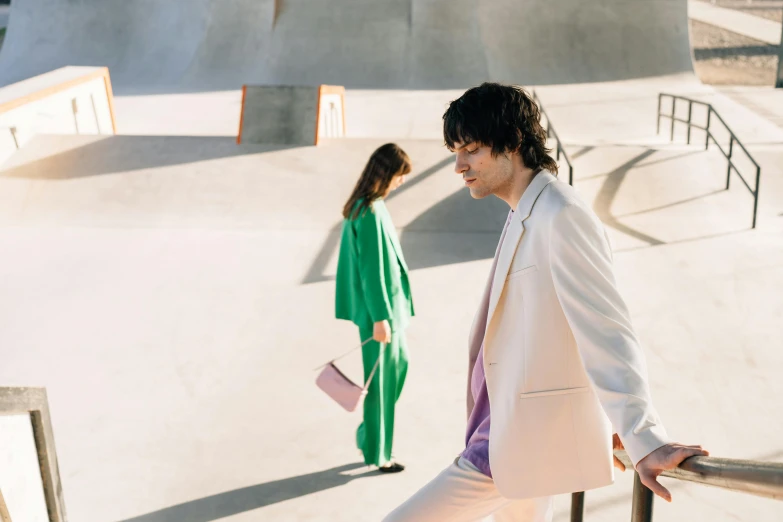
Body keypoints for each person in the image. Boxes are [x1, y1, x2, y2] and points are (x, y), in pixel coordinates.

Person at [383, 84, 708, 521]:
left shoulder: (562, 213)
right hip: (510, 440)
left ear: (514, 141)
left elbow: (605, 330)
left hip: (511, 447)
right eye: (455, 152)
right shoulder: (524, 212)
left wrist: (643, 437)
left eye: (471, 150)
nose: (459, 165)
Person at [335, 143, 415, 473]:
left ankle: (369, 436)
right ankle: (378, 453)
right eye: (399, 176)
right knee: (381, 384)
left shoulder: (372, 205)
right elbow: (371, 272)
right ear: (385, 174)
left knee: (395, 373)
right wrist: (381, 318)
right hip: (380, 316)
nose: (401, 182)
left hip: (390, 313)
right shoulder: (366, 212)